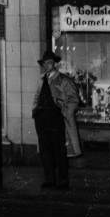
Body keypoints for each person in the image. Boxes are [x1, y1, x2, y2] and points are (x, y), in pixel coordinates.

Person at [32, 50, 80, 189]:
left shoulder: (63, 80)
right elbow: (36, 96)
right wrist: (35, 111)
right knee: (45, 150)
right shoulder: (41, 80)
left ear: (54, 64)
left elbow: (73, 100)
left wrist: (64, 112)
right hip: (42, 119)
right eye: (45, 63)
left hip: (56, 119)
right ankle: (49, 179)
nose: (47, 65)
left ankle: (63, 181)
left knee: (59, 150)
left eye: (50, 62)